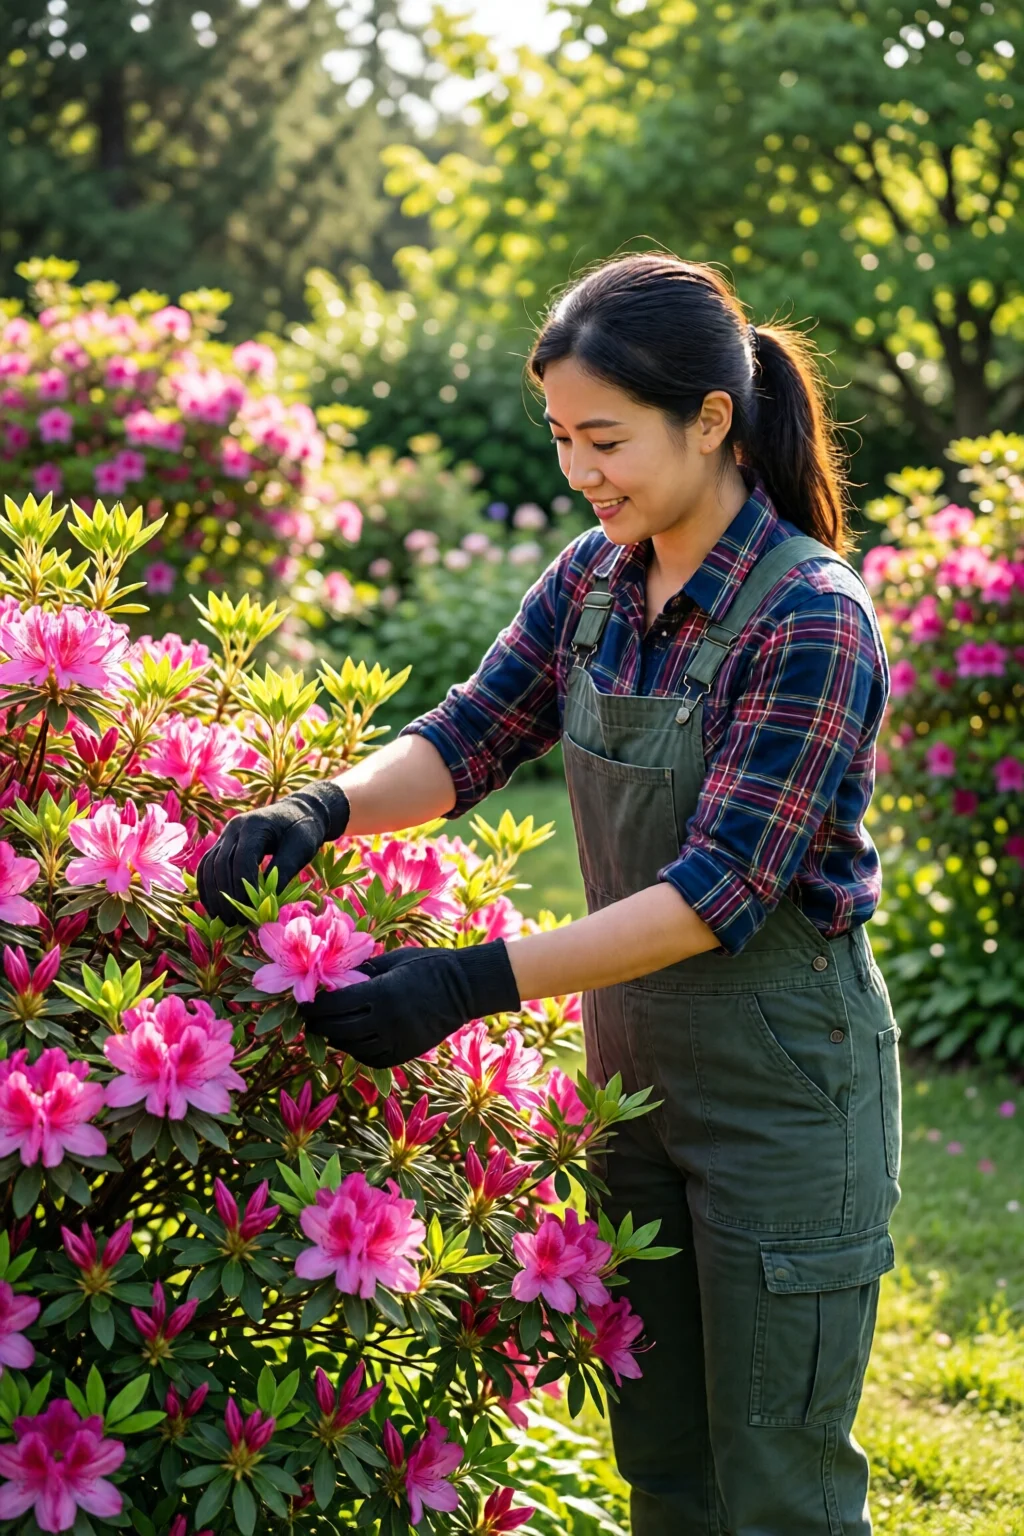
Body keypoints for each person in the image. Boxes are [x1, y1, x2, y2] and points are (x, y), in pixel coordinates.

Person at [198, 253, 903, 1536]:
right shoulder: (594, 578)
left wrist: (468, 982)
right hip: (635, 1080)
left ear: (709, 420)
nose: (581, 471)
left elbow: (716, 893)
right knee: (669, 1469)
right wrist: (318, 809)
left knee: (779, 1488)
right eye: (563, 438)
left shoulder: (810, 617)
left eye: (607, 439)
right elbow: (471, 733)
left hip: (788, 1092)